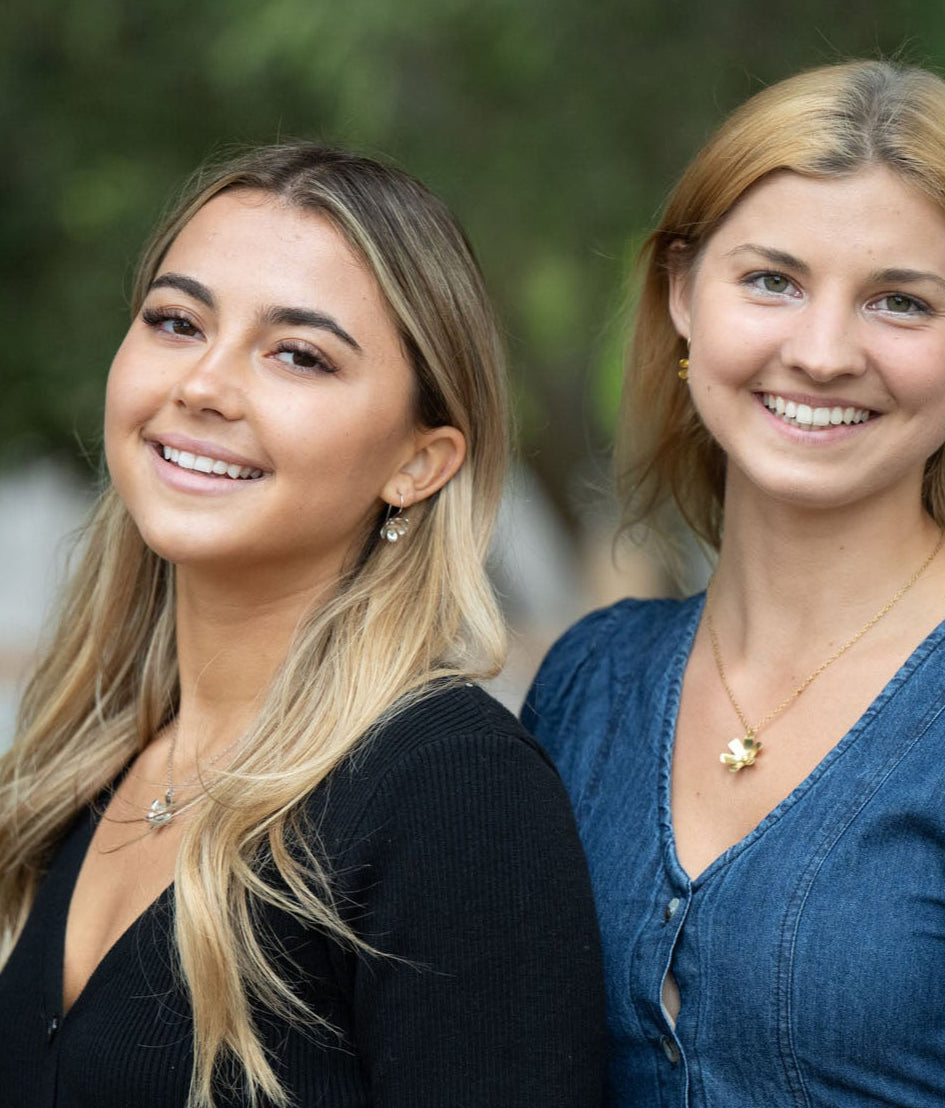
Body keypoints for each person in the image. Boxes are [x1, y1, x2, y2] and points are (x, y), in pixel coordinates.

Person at [524, 60, 945, 1107]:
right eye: (771, 281)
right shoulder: (587, 686)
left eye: (900, 301)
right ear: (680, 297)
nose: (823, 351)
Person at [0, 143, 605, 1107]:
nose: (203, 384)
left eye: (298, 354)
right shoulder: (84, 754)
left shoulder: (452, 796)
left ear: (419, 461)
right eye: (175, 320)